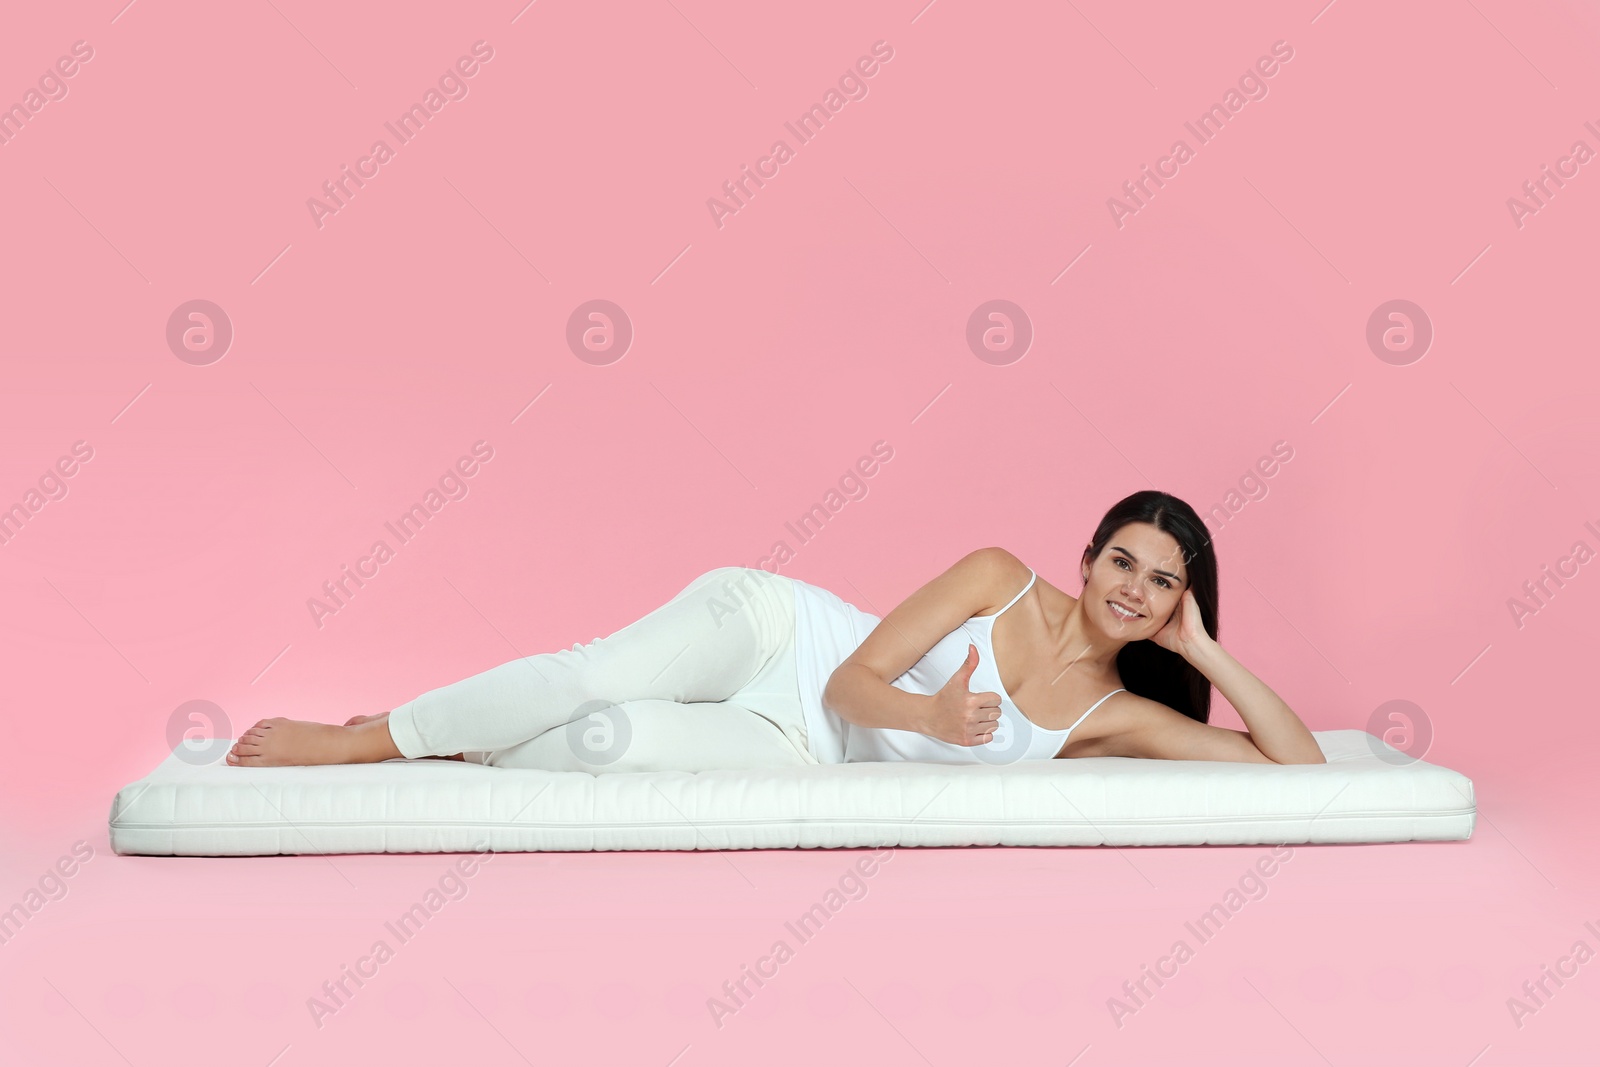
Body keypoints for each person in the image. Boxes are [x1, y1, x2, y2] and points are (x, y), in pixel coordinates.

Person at [225, 490, 1325, 771]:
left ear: (1177, 602)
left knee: (616, 743)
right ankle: (365, 738)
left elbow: (1297, 761)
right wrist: (933, 716)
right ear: (1085, 559)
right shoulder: (999, 578)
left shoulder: (1115, 713)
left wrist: (1206, 653)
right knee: (592, 674)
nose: (1130, 587)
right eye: (1120, 559)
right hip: (776, 637)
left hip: (806, 750)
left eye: (1161, 583)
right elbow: (852, 681)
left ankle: (455, 735)